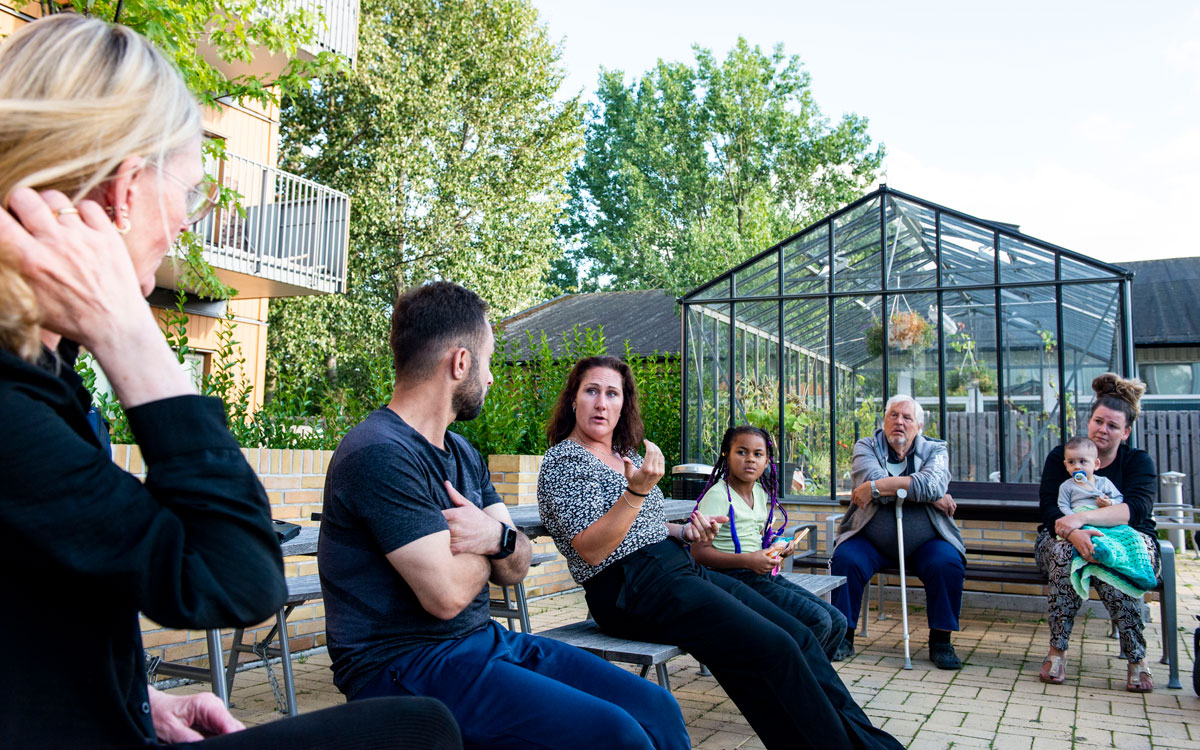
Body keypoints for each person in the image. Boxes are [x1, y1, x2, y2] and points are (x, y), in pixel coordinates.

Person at [0, 14, 461, 749]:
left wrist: (132, 696)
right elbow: (236, 576)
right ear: (124, 192)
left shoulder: (41, 378)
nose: (186, 221)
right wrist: (130, 332)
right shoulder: (11, 406)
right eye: (190, 189)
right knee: (418, 732)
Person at [318, 282, 689, 750]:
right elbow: (448, 596)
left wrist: (495, 538)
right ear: (460, 363)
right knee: (615, 737)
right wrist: (500, 540)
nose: (491, 377)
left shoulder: (462, 452)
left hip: (482, 642)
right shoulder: (379, 453)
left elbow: (516, 567)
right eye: (488, 361)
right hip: (402, 667)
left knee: (655, 707)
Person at [537, 356, 902, 750]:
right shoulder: (564, 462)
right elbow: (593, 548)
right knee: (771, 650)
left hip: (674, 569)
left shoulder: (627, 455)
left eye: (613, 393)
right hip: (630, 588)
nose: (602, 403)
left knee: (798, 637)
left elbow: (639, 525)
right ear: (573, 399)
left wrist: (683, 529)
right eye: (591, 391)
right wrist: (637, 491)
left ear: (624, 403)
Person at [1036, 373, 1159, 692]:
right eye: (1098, 421)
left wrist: (1083, 521)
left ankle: (1136, 657)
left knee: (1113, 563)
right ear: (1089, 421)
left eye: (1113, 426)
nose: (1103, 430)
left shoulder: (1137, 462)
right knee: (1066, 553)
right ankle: (1057, 651)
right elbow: (1050, 509)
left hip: (1128, 540)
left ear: (1126, 431)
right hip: (1061, 539)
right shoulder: (1063, 457)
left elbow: (1135, 511)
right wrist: (1074, 534)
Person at [829, 394, 965, 669]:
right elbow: (869, 479)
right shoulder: (865, 446)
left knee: (947, 563)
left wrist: (881, 490)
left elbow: (930, 484)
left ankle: (941, 641)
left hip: (927, 542)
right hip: (870, 539)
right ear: (884, 420)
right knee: (846, 559)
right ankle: (844, 635)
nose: (899, 422)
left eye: (907, 417)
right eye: (894, 415)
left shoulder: (936, 450)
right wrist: (927, 494)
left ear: (919, 426)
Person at [690, 424, 848, 659]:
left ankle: (813, 682)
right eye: (741, 452)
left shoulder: (760, 494)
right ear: (726, 454)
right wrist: (748, 560)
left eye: (758, 454)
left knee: (837, 620)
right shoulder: (718, 496)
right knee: (818, 620)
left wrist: (779, 545)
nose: (750, 460)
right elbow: (697, 552)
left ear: (766, 462)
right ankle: (797, 682)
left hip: (760, 574)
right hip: (731, 577)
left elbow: (754, 535)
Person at [1056, 436, 1123, 518]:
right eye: (1071, 462)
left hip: (1102, 518)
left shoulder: (1103, 482)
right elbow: (1063, 506)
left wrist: (1110, 502)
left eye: (1082, 461)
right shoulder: (1066, 486)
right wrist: (1074, 518)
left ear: (1096, 464)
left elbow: (1119, 499)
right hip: (1079, 520)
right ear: (1066, 465)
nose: (1077, 467)